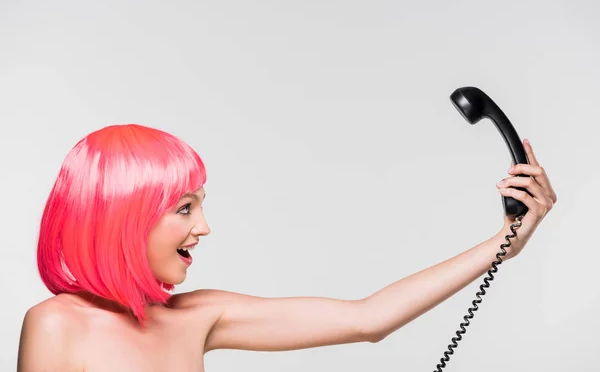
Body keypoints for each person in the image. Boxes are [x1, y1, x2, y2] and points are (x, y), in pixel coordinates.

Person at [16, 124, 557, 372]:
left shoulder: (198, 316)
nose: (203, 227)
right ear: (122, 217)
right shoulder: (55, 325)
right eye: (184, 208)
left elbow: (366, 319)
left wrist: (503, 247)